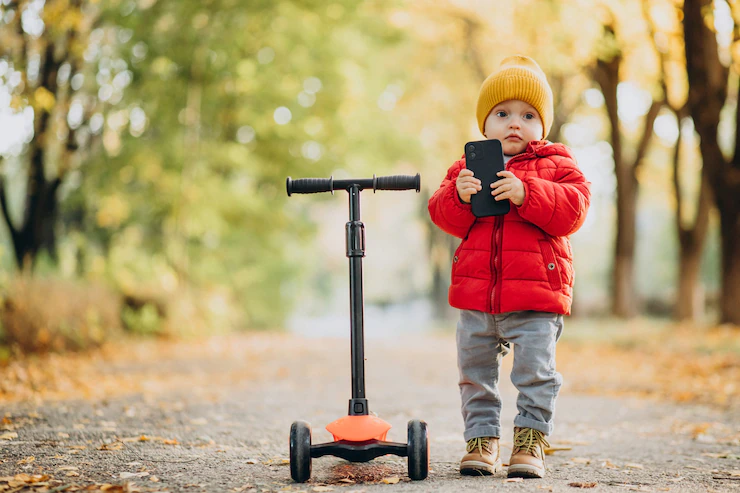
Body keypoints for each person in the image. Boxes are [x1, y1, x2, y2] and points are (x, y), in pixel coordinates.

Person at [427, 55, 591, 479]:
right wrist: (458, 197)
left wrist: (527, 192)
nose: (515, 122)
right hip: (477, 296)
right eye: (502, 114)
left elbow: (573, 212)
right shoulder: (465, 168)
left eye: (528, 115)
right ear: (484, 125)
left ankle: (530, 440)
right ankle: (481, 441)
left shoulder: (558, 165)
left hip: (536, 297)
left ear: (544, 126)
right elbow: (442, 215)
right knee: (475, 374)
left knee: (535, 372)